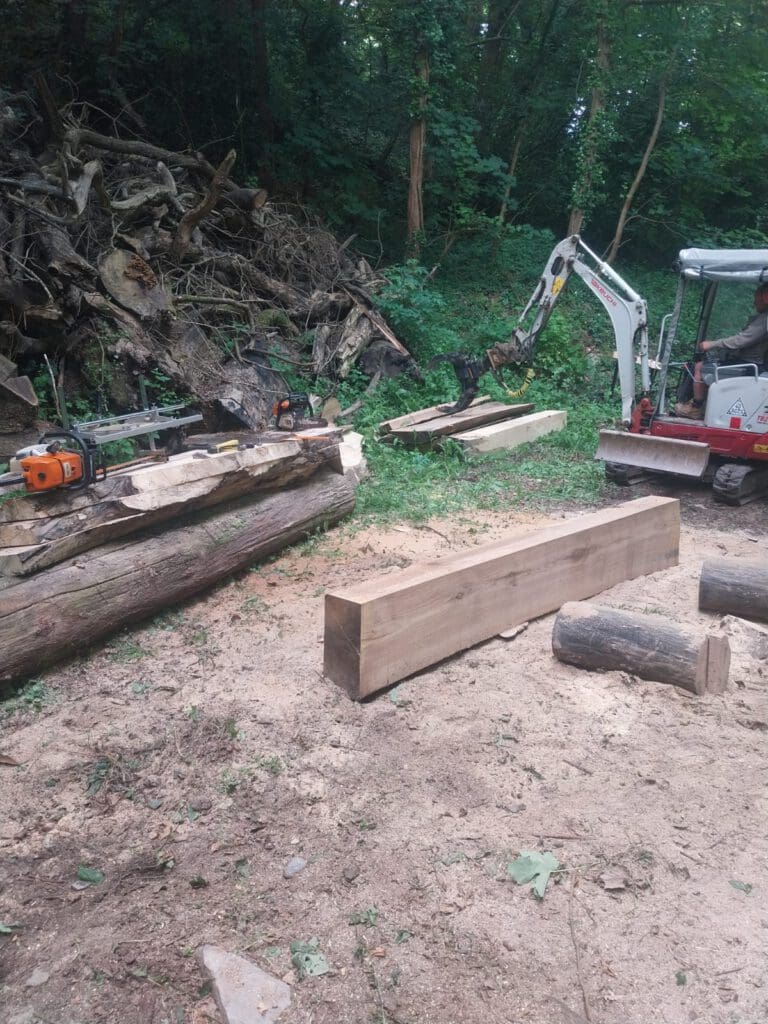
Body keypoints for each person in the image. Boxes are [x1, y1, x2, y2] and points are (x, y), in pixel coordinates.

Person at [675, 282, 768, 419]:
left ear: (766, 297)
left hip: (749, 365)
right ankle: (706, 406)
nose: (754, 303)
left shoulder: (765, 319)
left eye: (756, 298)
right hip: (751, 363)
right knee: (711, 364)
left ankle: (696, 408)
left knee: (701, 367)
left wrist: (712, 344)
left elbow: (741, 340)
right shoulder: (763, 318)